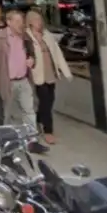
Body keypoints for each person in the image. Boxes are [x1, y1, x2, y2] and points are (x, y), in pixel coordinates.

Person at [0, 9, 48, 152]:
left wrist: (32, 60)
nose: (21, 24)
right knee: (6, 113)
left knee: (29, 111)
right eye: (17, 21)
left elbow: (31, 54)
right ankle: (4, 142)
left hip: (23, 80)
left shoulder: (25, 37)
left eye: (22, 21)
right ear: (9, 22)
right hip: (7, 81)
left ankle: (31, 141)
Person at [26, 10, 72, 145]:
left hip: (50, 73)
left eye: (40, 20)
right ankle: (48, 131)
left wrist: (66, 72)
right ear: (30, 22)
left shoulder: (47, 35)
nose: (39, 23)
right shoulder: (27, 37)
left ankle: (38, 119)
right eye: (36, 20)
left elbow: (57, 54)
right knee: (45, 101)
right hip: (38, 74)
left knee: (50, 100)